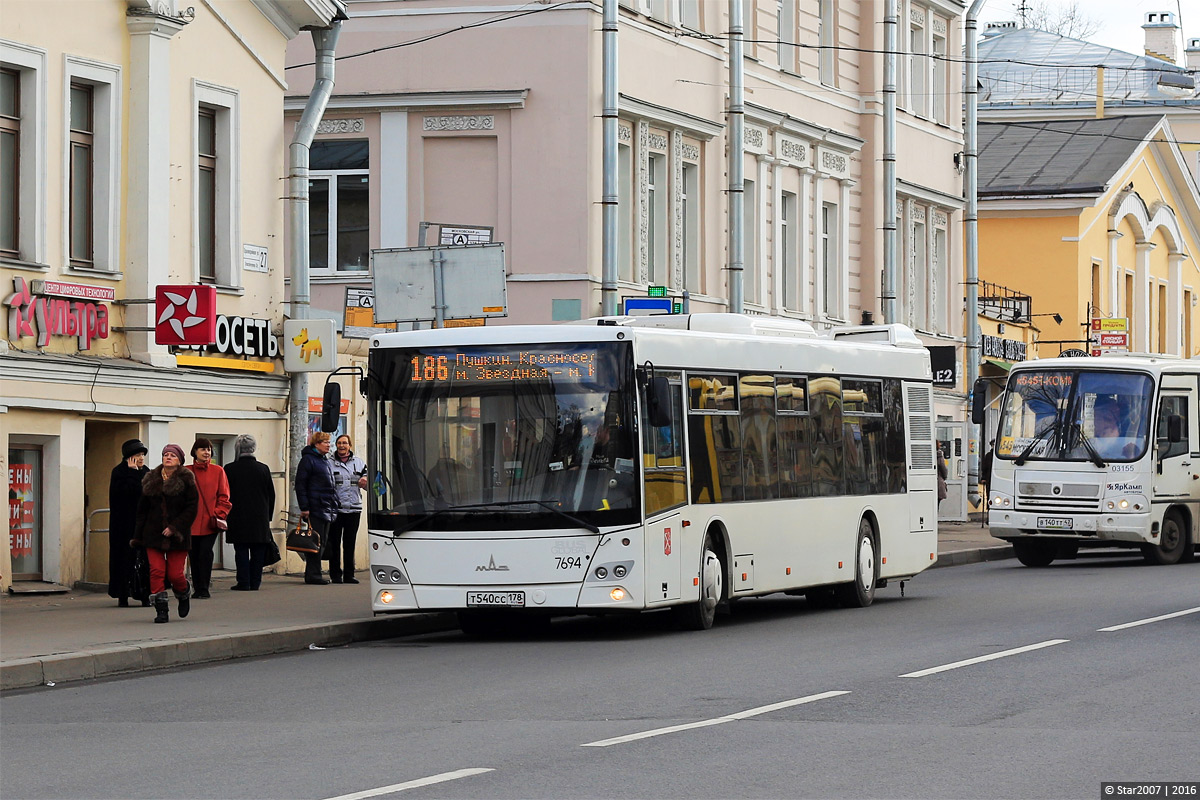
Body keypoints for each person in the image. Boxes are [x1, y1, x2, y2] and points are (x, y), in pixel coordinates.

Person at [133, 444, 198, 623]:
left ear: (179, 460)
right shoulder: (151, 479)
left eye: (172, 455)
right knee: (156, 571)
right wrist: (138, 537)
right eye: (165, 455)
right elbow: (142, 511)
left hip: (178, 536)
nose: (168, 457)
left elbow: (192, 509)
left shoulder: (187, 480)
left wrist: (175, 527)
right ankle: (161, 610)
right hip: (153, 535)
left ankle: (183, 594)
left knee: (175, 574)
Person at [223, 434, 275, 591]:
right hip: (259, 518)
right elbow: (271, 495)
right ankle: (255, 581)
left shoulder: (229, 469)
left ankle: (243, 582)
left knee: (241, 551)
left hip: (237, 517)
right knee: (258, 551)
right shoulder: (263, 468)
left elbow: (225, 494)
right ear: (253, 449)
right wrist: (268, 516)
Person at [186, 437, 231, 599]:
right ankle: (196, 587)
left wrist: (218, 513)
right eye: (202, 449)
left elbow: (224, 497)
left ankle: (204, 588)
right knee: (193, 555)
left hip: (209, 522)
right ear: (195, 452)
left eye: (209, 449)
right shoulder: (186, 471)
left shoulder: (218, 471)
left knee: (205, 553)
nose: (206, 452)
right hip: (190, 522)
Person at [108, 439, 150, 607]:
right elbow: (127, 494)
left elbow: (147, 494)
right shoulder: (119, 473)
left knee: (144, 561)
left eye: (142, 455)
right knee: (123, 560)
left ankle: (145, 595)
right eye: (138, 455)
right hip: (123, 526)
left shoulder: (146, 472)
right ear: (129, 458)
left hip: (143, 525)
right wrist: (132, 473)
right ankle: (122, 594)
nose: (141, 458)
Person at [295, 431, 338, 585]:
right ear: (317, 444)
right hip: (315, 507)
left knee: (323, 542)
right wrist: (304, 507)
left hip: (327, 506)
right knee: (315, 542)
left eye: (329, 442)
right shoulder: (308, 460)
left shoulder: (323, 460)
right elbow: (300, 485)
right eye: (325, 442)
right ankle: (313, 575)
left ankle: (314, 573)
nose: (329, 445)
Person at [328, 434, 367, 584]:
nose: (342, 446)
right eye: (339, 443)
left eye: (345, 443)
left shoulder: (359, 463)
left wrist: (365, 480)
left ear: (350, 445)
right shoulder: (329, 463)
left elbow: (370, 482)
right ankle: (335, 575)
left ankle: (349, 575)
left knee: (350, 543)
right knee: (334, 543)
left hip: (354, 509)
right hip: (336, 510)